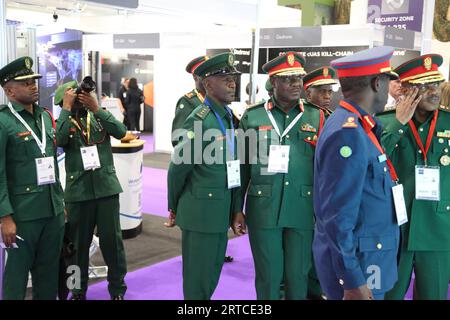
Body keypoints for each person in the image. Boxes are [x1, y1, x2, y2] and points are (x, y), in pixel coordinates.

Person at [313, 46, 401, 300]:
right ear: (376, 83)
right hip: (361, 265)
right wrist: (352, 279)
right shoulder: (348, 133)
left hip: (370, 254)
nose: (388, 91)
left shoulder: (359, 125)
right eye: (387, 82)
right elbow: (338, 216)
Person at [235, 52, 325, 300]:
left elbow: (326, 171)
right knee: (269, 275)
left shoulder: (317, 116)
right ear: (273, 82)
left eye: (299, 78)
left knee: (298, 275)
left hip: (303, 208)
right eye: (288, 79)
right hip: (263, 208)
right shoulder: (252, 117)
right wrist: (237, 208)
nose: (297, 84)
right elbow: (241, 168)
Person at [166, 52, 244, 300]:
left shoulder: (228, 117)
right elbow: (178, 168)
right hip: (200, 212)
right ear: (208, 84)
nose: (232, 83)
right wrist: (173, 205)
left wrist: (235, 208)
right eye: (225, 78)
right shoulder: (200, 119)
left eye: (233, 77)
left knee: (211, 274)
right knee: (199, 281)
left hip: (219, 210)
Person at [378, 54, 450, 300]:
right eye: (425, 86)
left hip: (438, 227)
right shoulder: (384, 123)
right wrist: (398, 124)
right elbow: (371, 163)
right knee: (390, 294)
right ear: (406, 90)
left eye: (437, 84)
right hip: (395, 227)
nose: (434, 92)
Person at [54, 80, 128, 300]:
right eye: (74, 97)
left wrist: (96, 108)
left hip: (106, 190)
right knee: (76, 248)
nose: (80, 99)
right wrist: (66, 109)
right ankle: (76, 290)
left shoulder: (98, 115)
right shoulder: (63, 121)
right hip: (78, 193)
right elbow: (59, 140)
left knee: (112, 243)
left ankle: (117, 289)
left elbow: (121, 131)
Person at [0, 56, 65, 299]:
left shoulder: (46, 116)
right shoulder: (3, 121)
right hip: (23, 215)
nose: (33, 85)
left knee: (48, 274)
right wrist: (5, 217)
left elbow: (52, 164)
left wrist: (59, 202)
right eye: (25, 82)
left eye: (33, 80)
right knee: (17, 276)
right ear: (9, 90)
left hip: (52, 211)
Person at [302, 66, 339, 300]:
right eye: (322, 91)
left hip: (329, 195)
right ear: (308, 94)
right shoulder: (304, 119)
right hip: (306, 194)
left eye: (329, 91)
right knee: (305, 247)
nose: (327, 96)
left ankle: (321, 288)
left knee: (326, 244)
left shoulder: (336, 119)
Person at [171, 55, 209, 147]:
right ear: (195, 77)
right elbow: (177, 138)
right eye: (204, 75)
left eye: (210, 74)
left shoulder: (215, 100)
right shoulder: (188, 102)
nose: (208, 78)